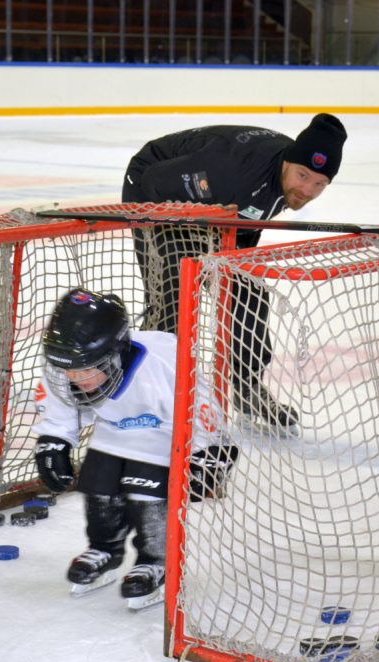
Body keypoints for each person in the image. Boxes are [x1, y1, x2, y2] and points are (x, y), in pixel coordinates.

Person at [121, 113, 347, 430]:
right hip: (154, 190)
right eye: (302, 176)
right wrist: (201, 244)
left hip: (215, 208)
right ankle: (147, 386)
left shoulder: (284, 179)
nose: (307, 189)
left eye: (319, 184)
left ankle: (246, 385)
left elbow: (249, 217)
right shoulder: (234, 172)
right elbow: (156, 181)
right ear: (288, 163)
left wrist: (228, 256)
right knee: (176, 291)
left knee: (249, 292)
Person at [32, 288, 237, 609]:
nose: (75, 378)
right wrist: (53, 441)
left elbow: (204, 410)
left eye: (84, 372)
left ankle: (154, 560)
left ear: (115, 354)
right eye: (70, 371)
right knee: (99, 481)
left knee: (146, 485)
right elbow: (60, 403)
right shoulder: (70, 362)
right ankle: (105, 548)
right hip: (117, 429)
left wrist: (211, 456)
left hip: (167, 434)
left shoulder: (164, 366)